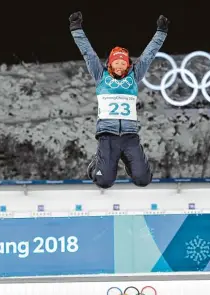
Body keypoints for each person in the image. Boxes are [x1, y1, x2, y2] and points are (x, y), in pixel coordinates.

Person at [69, 11, 168, 189]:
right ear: (110, 63)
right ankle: (97, 164)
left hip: (130, 136)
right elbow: (88, 53)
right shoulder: (101, 75)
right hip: (108, 136)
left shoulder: (134, 75)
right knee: (104, 182)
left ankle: (130, 162)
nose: (120, 66)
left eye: (123, 63)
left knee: (143, 180)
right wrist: (76, 28)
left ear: (127, 65)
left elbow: (149, 55)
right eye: (117, 62)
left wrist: (161, 32)